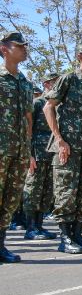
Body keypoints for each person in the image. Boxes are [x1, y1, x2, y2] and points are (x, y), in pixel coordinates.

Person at [44, 44, 82, 254]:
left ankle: (77, 234)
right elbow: (48, 106)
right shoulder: (68, 79)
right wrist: (59, 139)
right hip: (68, 148)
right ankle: (65, 238)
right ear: (80, 56)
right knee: (65, 194)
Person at [0, 29, 34, 263]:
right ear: (4, 50)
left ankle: (1, 245)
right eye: (19, 46)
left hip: (20, 150)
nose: (24, 49)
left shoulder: (24, 82)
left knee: (11, 199)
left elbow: (28, 118)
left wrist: (29, 149)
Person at [22, 72, 60, 240]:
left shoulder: (58, 105)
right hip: (37, 153)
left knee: (46, 191)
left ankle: (39, 226)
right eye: (54, 83)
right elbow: (28, 130)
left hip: (51, 153)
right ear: (46, 85)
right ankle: (30, 227)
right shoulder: (38, 103)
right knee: (34, 189)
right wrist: (29, 154)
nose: (57, 85)